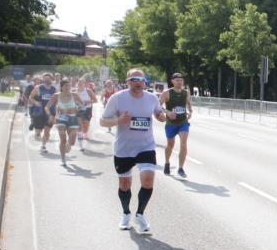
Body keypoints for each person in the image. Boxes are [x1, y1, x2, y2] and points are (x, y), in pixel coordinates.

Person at [100, 68, 168, 233]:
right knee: (125, 184)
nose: (138, 82)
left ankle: (140, 214)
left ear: (145, 81)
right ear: (128, 81)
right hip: (124, 148)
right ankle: (125, 213)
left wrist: (162, 116)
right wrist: (119, 120)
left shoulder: (152, 98)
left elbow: (159, 113)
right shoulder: (117, 98)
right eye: (134, 79)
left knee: (148, 180)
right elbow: (103, 121)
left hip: (146, 146)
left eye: (141, 79)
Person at [159, 72, 192, 178]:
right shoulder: (166, 93)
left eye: (181, 80)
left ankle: (181, 168)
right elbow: (157, 105)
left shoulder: (186, 93)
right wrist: (167, 112)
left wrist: (190, 112)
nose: (179, 82)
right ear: (172, 81)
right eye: (177, 80)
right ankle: (167, 162)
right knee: (170, 145)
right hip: (171, 123)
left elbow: (189, 105)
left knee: (183, 143)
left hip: (183, 122)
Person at [46, 79, 80, 165]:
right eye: (66, 85)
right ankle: (63, 158)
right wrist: (50, 115)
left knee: (72, 142)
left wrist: (76, 108)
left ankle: (68, 144)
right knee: (63, 139)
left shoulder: (74, 95)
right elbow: (47, 107)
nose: (68, 87)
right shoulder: (56, 95)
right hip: (61, 118)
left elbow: (82, 105)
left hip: (73, 118)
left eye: (69, 85)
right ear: (61, 86)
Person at [29, 73, 58, 152]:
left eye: (48, 79)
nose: (46, 80)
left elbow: (57, 101)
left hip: (50, 112)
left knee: (47, 130)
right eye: (45, 79)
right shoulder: (38, 88)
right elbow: (31, 97)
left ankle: (43, 146)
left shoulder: (54, 89)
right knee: (39, 131)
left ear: (51, 79)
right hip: (39, 111)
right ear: (43, 79)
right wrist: (36, 102)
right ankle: (36, 128)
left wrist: (56, 113)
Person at [76, 77, 97, 151]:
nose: (80, 84)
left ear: (84, 84)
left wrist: (86, 102)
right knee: (79, 126)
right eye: (79, 82)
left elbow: (95, 100)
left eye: (82, 82)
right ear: (77, 83)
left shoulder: (88, 91)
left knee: (86, 124)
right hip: (78, 110)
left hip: (87, 109)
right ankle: (81, 145)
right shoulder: (74, 91)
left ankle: (85, 133)